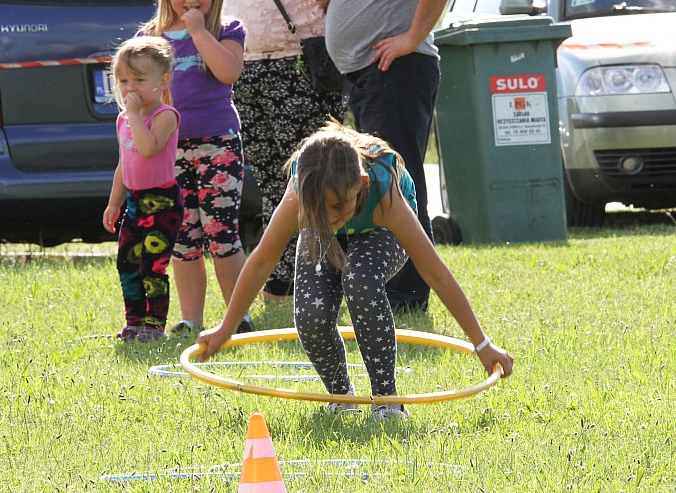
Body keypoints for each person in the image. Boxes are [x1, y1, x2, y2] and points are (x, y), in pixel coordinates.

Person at [196, 121, 514, 420]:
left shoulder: (383, 190)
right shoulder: (304, 193)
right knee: (311, 313)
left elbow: (435, 273)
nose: (330, 216)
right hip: (319, 232)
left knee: (360, 277)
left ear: (360, 184)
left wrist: (482, 345)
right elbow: (262, 261)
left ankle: (387, 399)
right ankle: (341, 396)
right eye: (319, 208)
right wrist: (225, 329)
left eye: (337, 207)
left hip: (379, 231)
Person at [314, 0, 459, 315]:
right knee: (389, 181)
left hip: (396, 71)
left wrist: (412, 36)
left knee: (396, 187)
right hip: (374, 73)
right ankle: (398, 291)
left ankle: (406, 296)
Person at [217, 0, 364, 301]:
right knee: (268, 175)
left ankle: (325, 279)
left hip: (303, 66)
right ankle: (283, 279)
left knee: (314, 178)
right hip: (244, 67)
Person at [137, 0, 252, 336]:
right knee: (184, 237)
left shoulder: (227, 29)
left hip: (217, 143)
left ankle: (237, 318)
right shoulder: (150, 36)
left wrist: (200, 33)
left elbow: (228, 73)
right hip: (170, 149)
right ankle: (192, 319)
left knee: (222, 232)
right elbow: (141, 92)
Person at [102, 36, 183, 343]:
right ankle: (134, 321)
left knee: (153, 266)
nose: (129, 88)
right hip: (135, 201)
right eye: (123, 81)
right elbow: (125, 164)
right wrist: (114, 203)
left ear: (163, 81)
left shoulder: (164, 116)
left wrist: (135, 116)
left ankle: (154, 324)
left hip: (161, 203)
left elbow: (148, 149)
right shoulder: (124, 119)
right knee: (127, 262)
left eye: (138, 79)